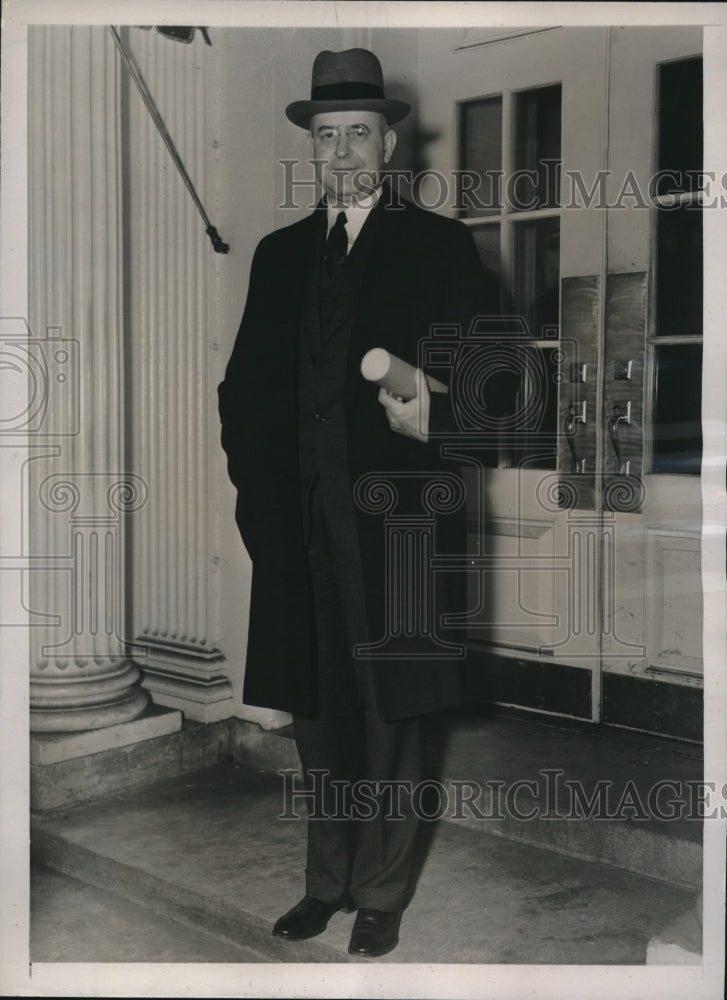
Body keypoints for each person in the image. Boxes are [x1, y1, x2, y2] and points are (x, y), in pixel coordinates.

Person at [218, 48, 498, 958]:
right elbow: (242, 394)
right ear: (314, 148)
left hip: (402, 526)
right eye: (326, 137)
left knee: (393, 715)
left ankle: (380, 891)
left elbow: (498, 386)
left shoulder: (438, 247)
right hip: (298, 525)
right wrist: (261, 500)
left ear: (388, 147)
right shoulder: (278, 255)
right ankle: (325, 883)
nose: (340, 155)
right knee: (316, 711)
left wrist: (437, 409)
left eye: (357, 137)